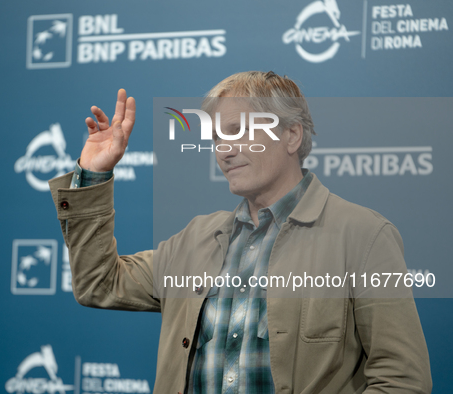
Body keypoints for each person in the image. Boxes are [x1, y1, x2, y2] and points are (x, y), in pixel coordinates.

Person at [48, 71, 431, 393]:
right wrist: (93, 175)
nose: (225, 150)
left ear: (292, 135)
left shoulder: (364, 235)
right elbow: (99, 282)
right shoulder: (195, 238)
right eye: (217, 137)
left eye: (238, 130)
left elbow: (402, 377)